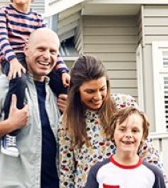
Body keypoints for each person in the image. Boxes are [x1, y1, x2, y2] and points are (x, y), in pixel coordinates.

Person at [0, 28, 69, 188]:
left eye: (52, 51)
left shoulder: (56, 94)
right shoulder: (4, 86)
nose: (47, 56)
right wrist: (10, 124)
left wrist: (71, 116)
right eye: (40, 49)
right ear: (26, 49)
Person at [0, 0, 70, 157]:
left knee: (63, 84)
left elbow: (50, 47)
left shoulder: (37, 18)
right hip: (12, 56)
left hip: (34, 56)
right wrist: (11, 60)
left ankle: (67, 123)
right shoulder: (2, 13)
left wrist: (63, 70)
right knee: (18, 80)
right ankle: (10, 134)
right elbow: (2, 39)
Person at [56, 55, 161, 188]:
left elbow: (147, 151)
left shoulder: (124, 105)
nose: (98, 97)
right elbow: (66, 172)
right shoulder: (67, 122)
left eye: (102, 89)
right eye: (90, 91)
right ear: (76, 90)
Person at [83, 107, 167, 188]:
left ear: (143, 136)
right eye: (122, 129)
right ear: (112, 133)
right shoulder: (98, 171)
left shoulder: (154, 174)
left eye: (134, 130)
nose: (128, 135)